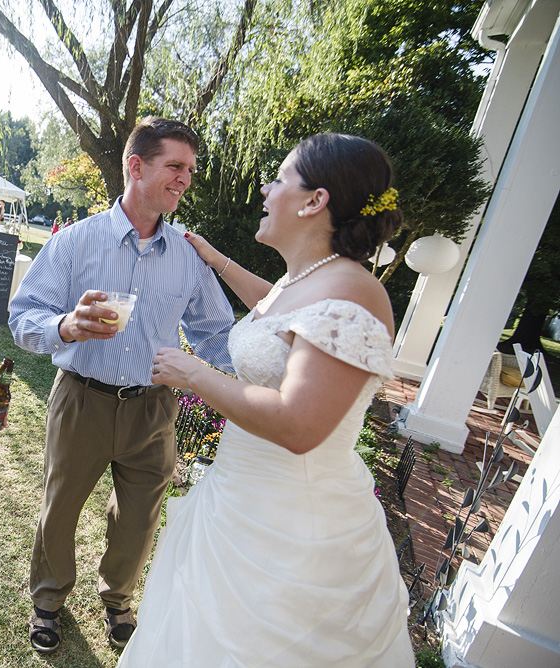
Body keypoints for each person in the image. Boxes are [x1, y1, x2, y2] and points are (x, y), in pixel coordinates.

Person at [117, 133, 413, 667]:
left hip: (293, 529)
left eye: (278, 178)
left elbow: (298, 425)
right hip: (238, 495)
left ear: (314, 201)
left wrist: (197, 374)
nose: (264, 189)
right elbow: (276, 312)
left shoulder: (353, 292)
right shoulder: (314, 278)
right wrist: (215, 259)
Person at [8, 116, 236, 654]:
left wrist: (251, 379)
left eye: (190, 171)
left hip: (154, 408)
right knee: (60, 506)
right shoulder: (75, 242)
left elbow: (214, 330)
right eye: (175, 167)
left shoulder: (189, 254)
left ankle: (118, 600)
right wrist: (64, 325)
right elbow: (24, 315)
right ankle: (48, 601)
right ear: (136, 166)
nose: (185, 179)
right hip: (81, 400)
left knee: (139, 517)